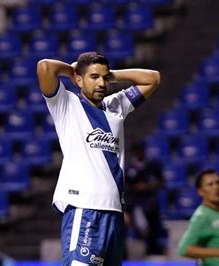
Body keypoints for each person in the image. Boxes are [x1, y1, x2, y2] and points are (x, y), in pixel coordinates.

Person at [36, 51, 160, 265]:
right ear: (79, 80)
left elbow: (153, 78)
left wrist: (113, 75)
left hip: (115, 213)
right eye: (94, 77)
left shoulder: (116, 105)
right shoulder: (67, 104)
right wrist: (72, 70)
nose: (101, 83)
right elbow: (45, 67)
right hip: (85, 209)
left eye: (104, 78)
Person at [124, 141, 166, 256]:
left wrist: (148, 186)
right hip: (132, 202)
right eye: (136, 151)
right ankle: (126, 254)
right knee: (127, 227)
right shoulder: (128, 167)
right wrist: (135, 187)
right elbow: (125, 185)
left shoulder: (153, 165)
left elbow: (161, 182)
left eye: (141, 151)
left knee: (152, 229)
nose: (139, 153)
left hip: (149, 203)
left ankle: (151, 250)